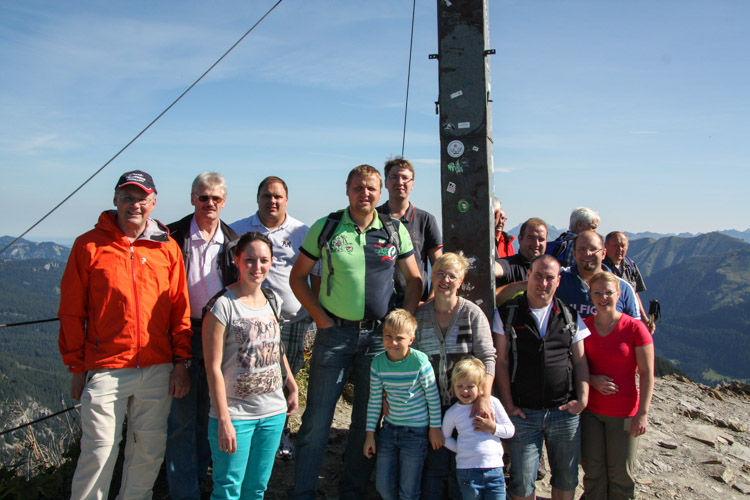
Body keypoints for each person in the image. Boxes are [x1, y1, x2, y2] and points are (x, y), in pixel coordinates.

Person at [289, 164, 423, 500]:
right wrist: (320, 318)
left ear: (380, 193)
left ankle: (352, 492)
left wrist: (403, 321)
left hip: (379, 339)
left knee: (366, 421)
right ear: (347, 190)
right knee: (317, 419)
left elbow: (415, 280)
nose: (365, 194)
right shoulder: (328, 227)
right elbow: (298, 277)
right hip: (334, 335)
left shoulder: (393, 230)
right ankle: (303, 491)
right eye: (358, 188)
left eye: (371, 189)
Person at [58, 170, 192, 500]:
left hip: (158, 367)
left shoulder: (168, 249)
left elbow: (180, 310)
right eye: (127, 197)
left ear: (154, 202)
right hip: (107, 367)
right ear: (116, 200)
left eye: (142, 198)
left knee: (148, 452)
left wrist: (181, 363)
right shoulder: (88, 245)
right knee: (99, 451)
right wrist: (77, 368)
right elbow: (72, 312)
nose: (135, 205)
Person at [202, 231, 299, 500]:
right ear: (236, 260)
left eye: (264, 260)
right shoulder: (221, 306)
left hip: (272, 412)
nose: (257, 267)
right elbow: (212, 368)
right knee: (228, 488)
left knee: (257, 487)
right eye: (250, 260)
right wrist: (223, 420)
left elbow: (275, 346)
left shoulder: (272, 300)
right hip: (235, 415)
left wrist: (290, 383)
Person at [230, 176, 317, 458]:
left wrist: (314, 313)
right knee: (251, 379)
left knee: (285, 378)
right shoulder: (238, 230)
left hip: (292, 320)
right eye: (267, 196)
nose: (272, 201)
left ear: (286, 200)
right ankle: (250, 432)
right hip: (249, 321)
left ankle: (280, 433)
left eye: (278, 197)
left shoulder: (302, 231)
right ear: (258, 198)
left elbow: (314, 274)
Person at [166, 172, 238, 500]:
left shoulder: (234, 240)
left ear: (224, 202)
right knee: (180, 418)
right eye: (203, 197)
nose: (210, 204)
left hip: (219, 336)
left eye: (216, 199)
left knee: (209, 415)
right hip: (181, 331)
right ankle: (184, 492)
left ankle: (198, 478)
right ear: (192, 198)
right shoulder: (172, 236)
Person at [493, 254, 590, 500]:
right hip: (523, 413)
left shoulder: (569, 315)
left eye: (549, 278)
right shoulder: (506, 314)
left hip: (564, 412)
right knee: (522, 484)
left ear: (558, 281)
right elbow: (501, 362)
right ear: (528, 276)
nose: (543, 284)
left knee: (566, 479)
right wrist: (508, 404)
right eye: (538, 276)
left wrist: (583, 399)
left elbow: (580, 360)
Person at [412, 251, 496, 499]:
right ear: (432, 276)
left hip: (466, 409)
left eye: (452, 276)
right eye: (440, 274)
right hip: (431, 409)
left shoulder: (472, 314)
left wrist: (484, 397)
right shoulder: (420, 317)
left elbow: (488, 357)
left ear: (460, 282)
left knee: (465, 473)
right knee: (434, 472)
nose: (445, 280)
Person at [581, 272, 654, 500]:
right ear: (590, 295)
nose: (603, 298)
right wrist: (592, 379)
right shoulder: (583, 328)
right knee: (593, 474)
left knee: (621, 476)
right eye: (598, 293)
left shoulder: (635, 328)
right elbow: (575, 366)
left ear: (619, 294)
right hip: (591, 412)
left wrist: (642, 413)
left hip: (624, 413)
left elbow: (647, 373)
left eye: (609, 293)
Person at [363, 309, 443, 500]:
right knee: (383, 486)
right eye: (387, 336)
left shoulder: (419, 362)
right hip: (389, 430)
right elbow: (374, 401)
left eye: (399, 338)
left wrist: (435, 428)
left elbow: (432, 397)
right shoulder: (378, 363)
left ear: (411, 339)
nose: (393, 343)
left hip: (415, 434)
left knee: (409, 491)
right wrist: (370, 435)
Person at [442, 357, 515, 500]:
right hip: (467, 471)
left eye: (470, 386)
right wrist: (462, 448)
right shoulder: (453, 412)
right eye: (460, 386)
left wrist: (493, 428)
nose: (465, 391)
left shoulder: (492, 403)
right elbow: (444, 437)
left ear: (481, 386)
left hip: (494, 469)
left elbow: (510, 430)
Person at [377, 157, 443, 307]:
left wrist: (430, 302)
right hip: (378, 307)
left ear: (412, 184)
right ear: (386, 183)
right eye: (394, 177)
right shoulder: (372, 218)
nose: (400, 182)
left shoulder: (426, 220)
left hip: (416, 306)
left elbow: (439, 266)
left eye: (405, 178)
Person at [556, 231, 640, 320]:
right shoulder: (557, 280)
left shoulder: (623, 287)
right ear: (574, 254)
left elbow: (634, 327)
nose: (587, 253)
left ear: (603, 253)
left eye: (593, 249)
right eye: (582, 249)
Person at [604, 231, 655, 333]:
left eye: (623, 246)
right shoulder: (599, 267)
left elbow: (634, 292)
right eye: (615, 245)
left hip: (628, 321)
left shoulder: (631, 265)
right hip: (608, 322)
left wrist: (644, 318)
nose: (620, 250)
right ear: (606, 246)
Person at [494, 218, 548, 305]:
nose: (536, 244)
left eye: (541, 239)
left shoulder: (551, 269)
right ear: (519, 239)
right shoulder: (509, 264)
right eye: (531, 238)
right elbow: (495, 268)